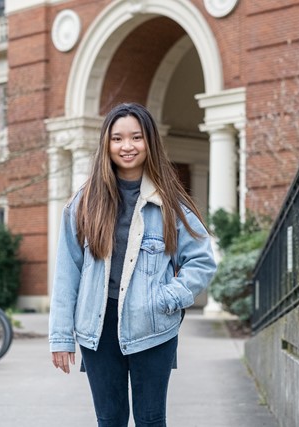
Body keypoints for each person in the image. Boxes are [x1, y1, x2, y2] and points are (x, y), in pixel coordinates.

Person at [49, 102, 217, 426]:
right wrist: (60, 338)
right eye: (118, 139)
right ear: (106, 144)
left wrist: (166, 299)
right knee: (109, 419)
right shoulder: (83, 204)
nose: (127, 146)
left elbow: (202, 260)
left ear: (149, 142)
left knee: (151, 419)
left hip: (153, 326)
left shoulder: (170, 203)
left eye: (136, 137)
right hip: (98, 328)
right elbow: (66, 273)